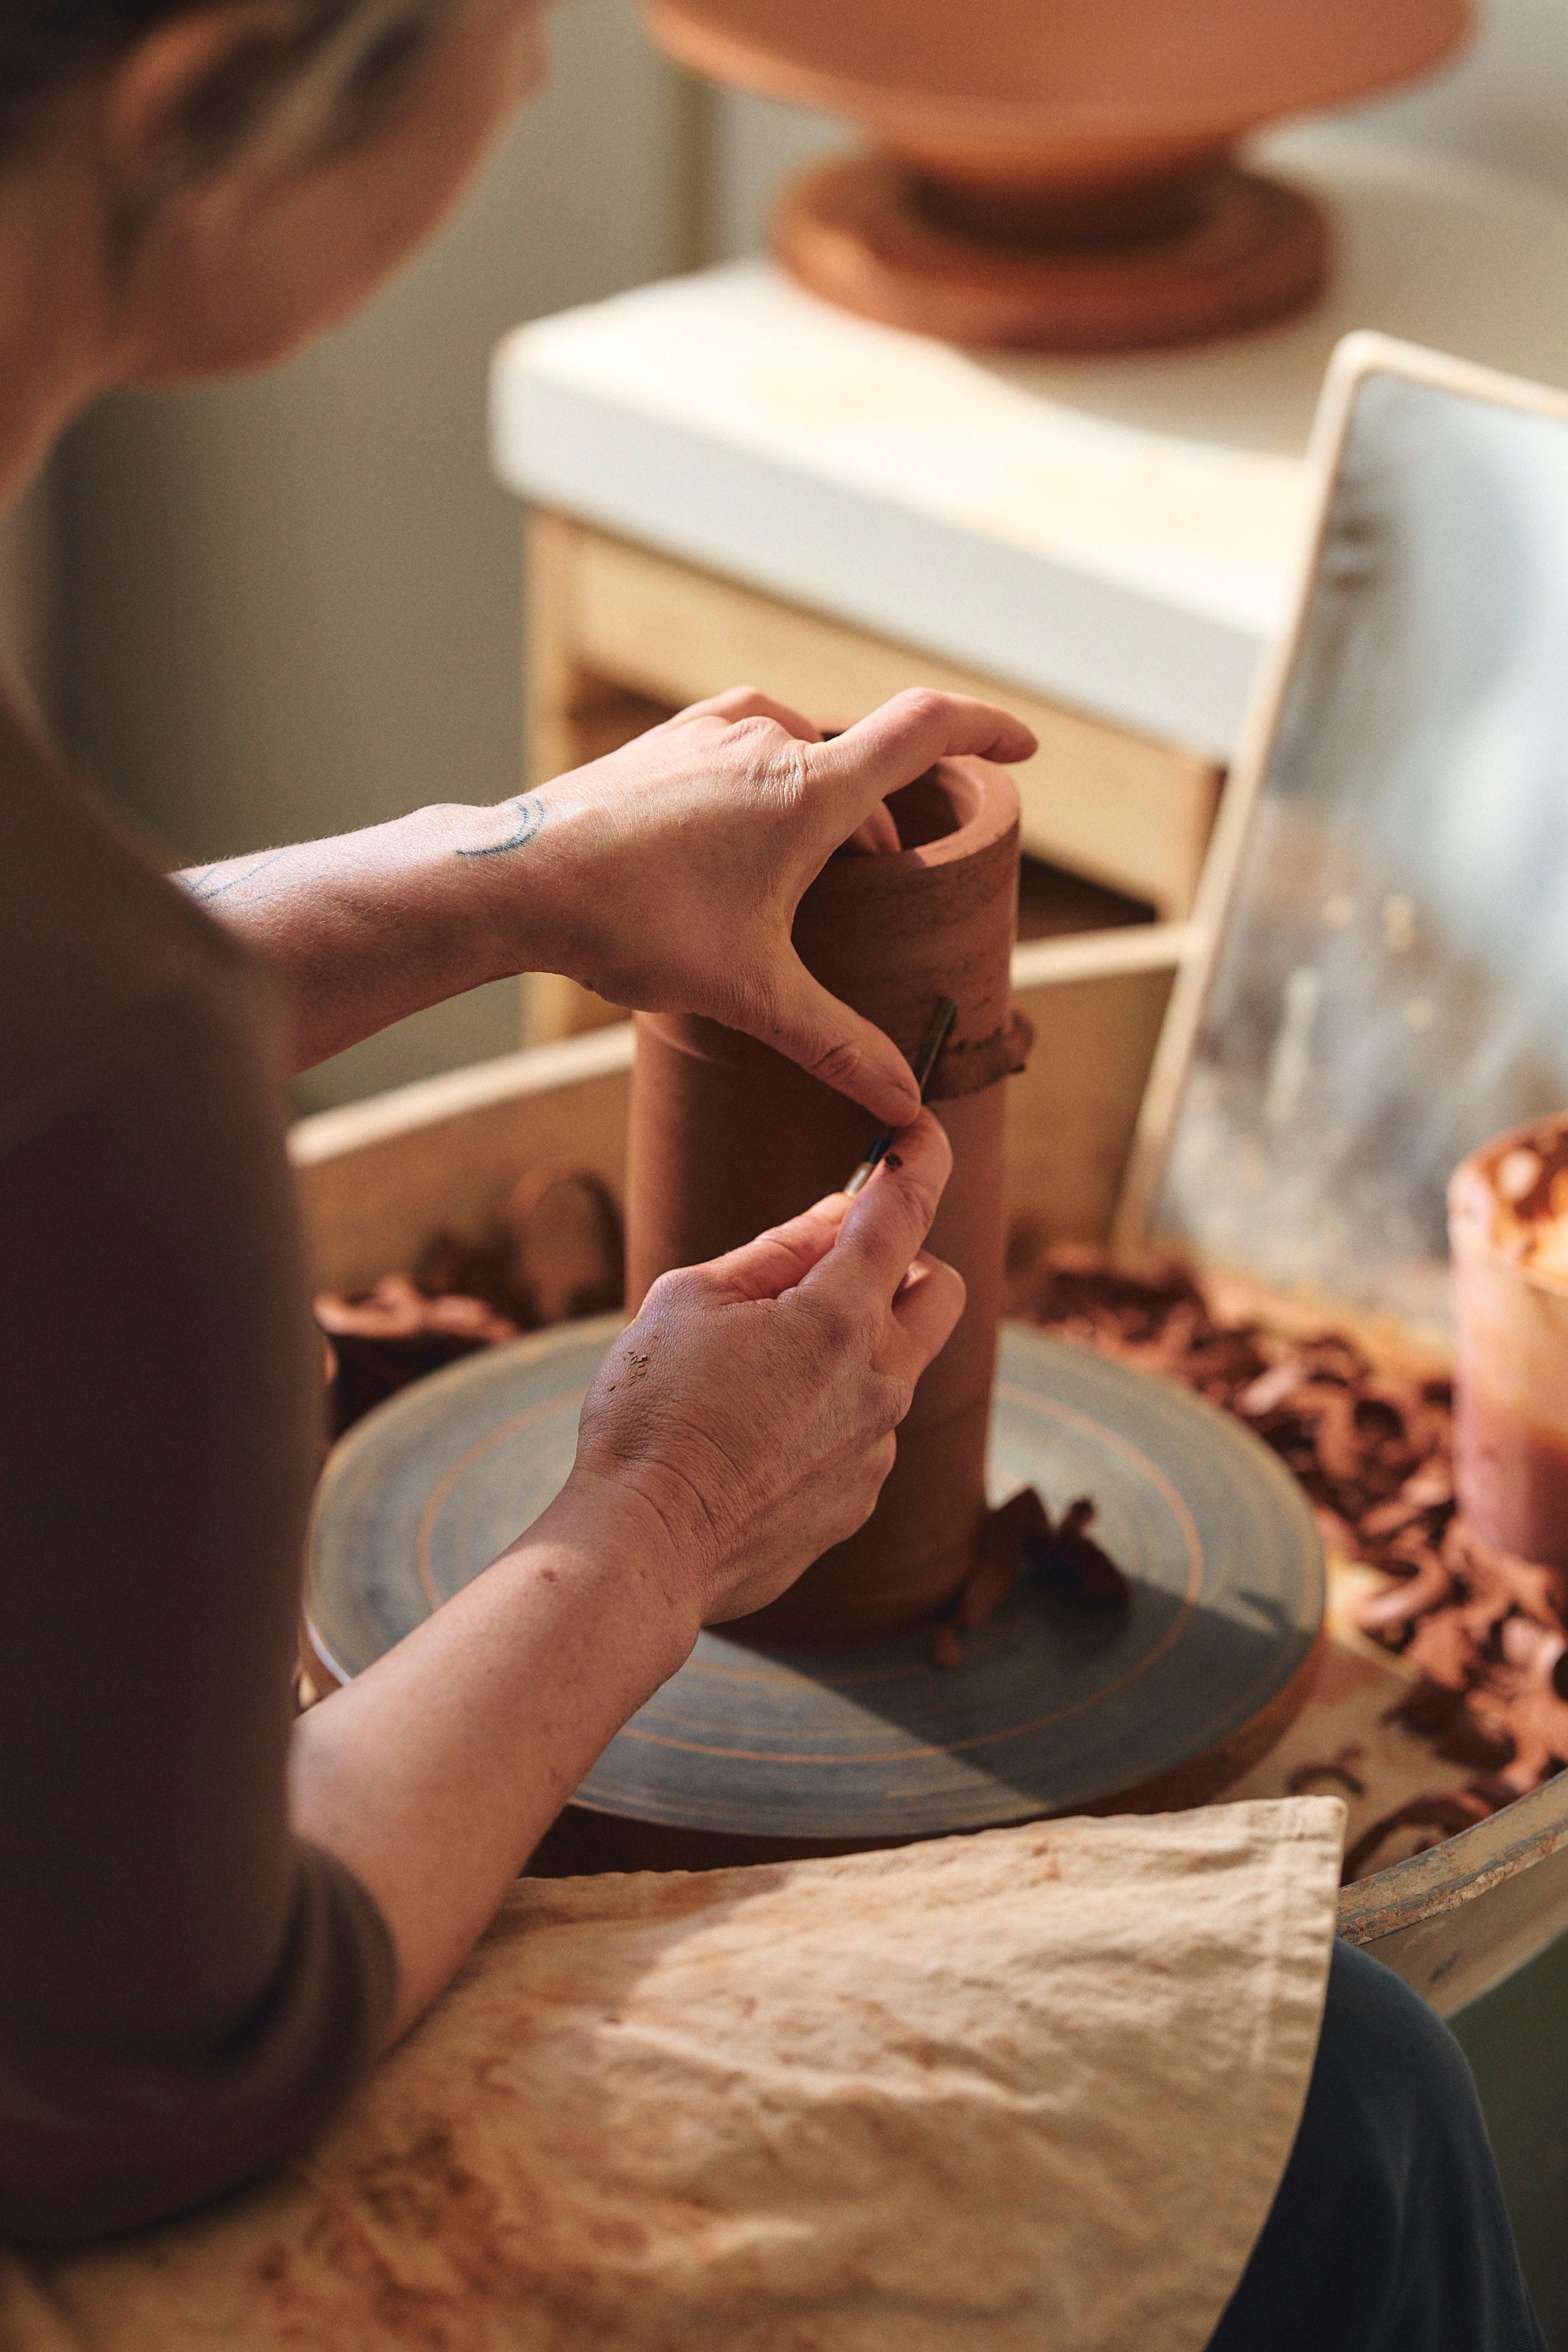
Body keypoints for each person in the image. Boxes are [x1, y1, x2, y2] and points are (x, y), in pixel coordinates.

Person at [0, 3, 1544, 2342]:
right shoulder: (118, 1088)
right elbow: (162, 2067)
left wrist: (496, 867)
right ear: (201, 96)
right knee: (1353, 2097)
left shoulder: (98, 1034)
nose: (532, 84)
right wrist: (655, 1540)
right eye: (502, 20)